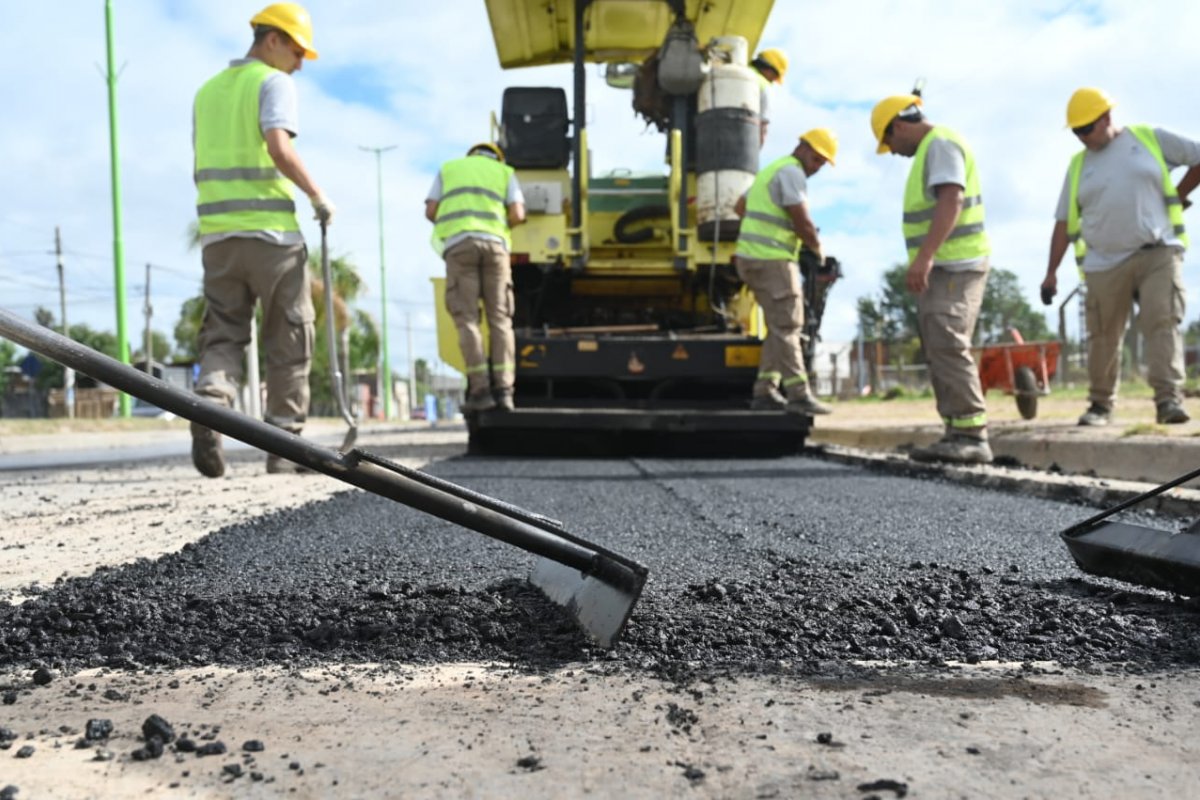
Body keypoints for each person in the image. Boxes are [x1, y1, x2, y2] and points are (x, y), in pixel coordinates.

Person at [190, 2, 334, 478]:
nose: (299, 63)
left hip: (217, 239)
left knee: (224, 331)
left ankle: (211, 402)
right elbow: (278, 146)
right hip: (272, 237)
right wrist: (317, 195)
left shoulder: (207, 91)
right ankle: (284, 445)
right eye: (296, 51)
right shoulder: (273, 83)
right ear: (271, 40)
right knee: (290, 334)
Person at [1041, 88, 1200, 427]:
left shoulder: (1149, 139)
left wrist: (1179, 194)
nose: (1081, 137)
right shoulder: (1078, 165)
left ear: (1107, 118)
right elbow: (1063, 222)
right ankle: (1100, 405)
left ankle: (1168, 400)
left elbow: (1198, 157)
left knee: (1162, 321)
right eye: (1076, 131)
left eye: (1086, 128)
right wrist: (1050, 272)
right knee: (1103, 335)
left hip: (1157, 251)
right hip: (1104, 262)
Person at [870, 94, 993, 464]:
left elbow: (950, 200)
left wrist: (924, 258)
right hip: (944, 267)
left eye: (889, 141)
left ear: (899, 125)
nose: (891, 150)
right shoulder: (930, 150)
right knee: (939, 345)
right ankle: (957, 433)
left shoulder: (939, 144)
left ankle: (972, 435)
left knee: (949, 341)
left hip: (955, 265)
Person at [733, 129, 837, 416]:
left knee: (778, 327)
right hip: (772, 261)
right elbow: (802, 220)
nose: (816, 167)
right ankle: (798, 394)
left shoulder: (771, 171)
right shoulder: (792, 173)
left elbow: (739, 206)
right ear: (802, 148)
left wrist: (771, 227)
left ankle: (765, 391)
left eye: (822, 163)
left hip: (751, 258)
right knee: (790, 326)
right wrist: (818, 251)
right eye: (816, 159)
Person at [426, 143, 526, 412]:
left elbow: (430, 211)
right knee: (500, 319)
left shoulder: (449, 169)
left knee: (468, 320)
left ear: (471, 155)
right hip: (495, 248)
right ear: (496, 157)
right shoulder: (505, 172)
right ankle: (505, 391)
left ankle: (480, 391)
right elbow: (518, 214)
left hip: (459, 247)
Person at [749, 49, 787, 146]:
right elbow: (763, 124)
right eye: (774, 78)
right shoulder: (764, 86)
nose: (772, 82)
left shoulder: (737, 71)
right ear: (770, 70)